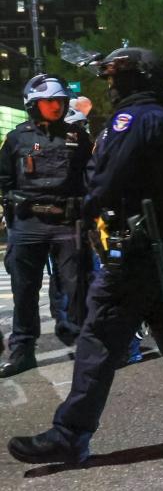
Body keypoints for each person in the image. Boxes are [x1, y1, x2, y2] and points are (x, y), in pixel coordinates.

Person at [7, 47, 163, 464]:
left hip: (137, 249)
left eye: (115, 78)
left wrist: (88, 202)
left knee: (97, 336)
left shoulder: (135, 119)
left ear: (135, 80)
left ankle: (70, 434)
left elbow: (104, 177)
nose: (110, 86)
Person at [0, 74, 93, 378]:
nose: (56, 106)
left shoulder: (78, 137)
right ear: (33, 104)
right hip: (28, 225)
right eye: (49, 101)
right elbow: (4, 179)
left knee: (77, 287)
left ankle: (86, 347)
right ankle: (23, 351)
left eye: (61, 101)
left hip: (68, 224)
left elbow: (90, 179)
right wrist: (10, 197)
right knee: (24, 291)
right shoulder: (16, 139)